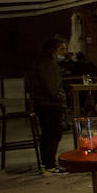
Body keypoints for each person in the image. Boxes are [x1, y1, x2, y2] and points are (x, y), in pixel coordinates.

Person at [27, 36, 69, 173]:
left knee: (49, 134)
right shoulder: (47, 64)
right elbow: (51, 86)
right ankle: (49, 165)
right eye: (61, 49)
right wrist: (61, 98)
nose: (64, 52)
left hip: (45, 103)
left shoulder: (44, 62)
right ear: (53, 50)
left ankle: (48, 164)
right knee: (51, 134)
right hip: (48, 104)